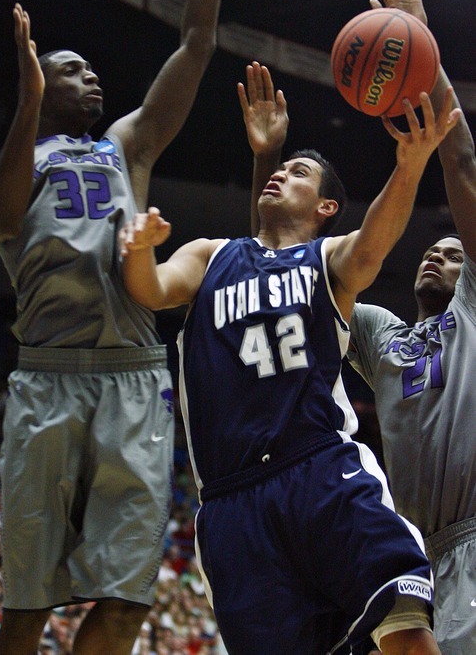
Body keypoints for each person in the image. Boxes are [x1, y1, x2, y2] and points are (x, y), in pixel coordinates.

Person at [118, 66, 460, 653]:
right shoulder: (208, 256)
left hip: (322, 470)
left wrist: (410, 166)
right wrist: (138, 252)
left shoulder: (326, 261)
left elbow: (375, 242)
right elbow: (150, 290)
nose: (278, 173)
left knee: (404, 619)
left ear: (327, 206)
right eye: (276, 169)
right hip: (232, 499)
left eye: (296, 171)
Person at [0, 0, 223, 654]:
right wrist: (28, 101)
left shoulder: (128, 146)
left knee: (124, 602)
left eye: (91, 71)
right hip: (47, 378)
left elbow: (193, 42)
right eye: (71, 69)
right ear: (41, 83)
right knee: (25, 606)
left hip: (130, 374)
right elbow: (5, 217)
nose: (93, 78)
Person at [346, 0, 476, 655]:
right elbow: (302, 286)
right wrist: (265, 160)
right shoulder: (380, 335)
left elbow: (462, 169)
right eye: (433, 250)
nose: (438, 254)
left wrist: (425, 52)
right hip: (408, 563)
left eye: (455, 252)